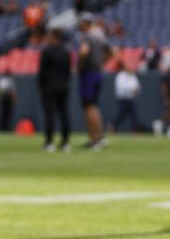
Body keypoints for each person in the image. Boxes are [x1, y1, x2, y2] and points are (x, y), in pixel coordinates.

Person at [77, 13, 113, 150]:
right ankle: (98, 137)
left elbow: (83, 52)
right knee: (93, 106)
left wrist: (79, 66)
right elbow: (109, 52)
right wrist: (102, 63)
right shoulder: (100, 35)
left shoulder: (88, 36)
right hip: (97, 72)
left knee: (88, 106)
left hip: (88, 73)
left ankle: (95, 138)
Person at [37, 28, 73, 152]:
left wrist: (41, 87)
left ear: (55, 37)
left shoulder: (46, 52)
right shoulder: (66, 52)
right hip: (63, 87)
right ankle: (66, 142)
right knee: (64, 114)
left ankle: (49, 142)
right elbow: (69, 71)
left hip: (49, 87)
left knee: (50, 115)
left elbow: (42, 73)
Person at [112, 60, 141, 134]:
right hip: (122, 99)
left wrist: (136, 90)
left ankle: (135, 130)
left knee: (133, 115)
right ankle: (113, 127)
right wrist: (131, 90)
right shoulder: (120, 75)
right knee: (121, 114)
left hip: (131, 99)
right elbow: (120, 87)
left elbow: (138, 87)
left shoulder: (133, 75)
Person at [0, 66, 16, 133]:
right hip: (7, 98)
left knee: (3, 113)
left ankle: (2, 127)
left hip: (3, 98)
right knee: (7, 114)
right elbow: (12, 91)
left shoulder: (1, 80)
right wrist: (14, 99)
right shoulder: (10, 80)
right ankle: (5, 127)